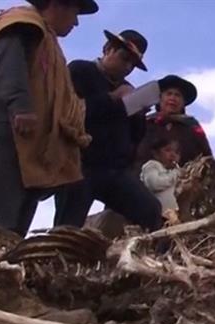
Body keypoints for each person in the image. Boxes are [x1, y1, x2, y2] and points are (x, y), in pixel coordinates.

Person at [0, 0, 98, 236]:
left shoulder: (48, 41)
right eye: (75, 12)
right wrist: (20, 106)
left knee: (17, 224)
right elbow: (9, 64)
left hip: (29, 139)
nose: (76, 22)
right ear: (58, 5)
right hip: (6, 129)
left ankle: (4, 259)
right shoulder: (21, 22)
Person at [53, 29, 162, 231]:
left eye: (132, 64)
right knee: (67, 226)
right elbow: (69, 112)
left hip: (114, 170)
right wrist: (112, 98)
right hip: (78, 165)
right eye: (124, 59)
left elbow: (136, 135)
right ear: (107, 49)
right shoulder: (80, 70)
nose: (127, 67)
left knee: (151, 211)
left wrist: (138, 113)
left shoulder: (128, 88)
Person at [137, 74, 213, 167]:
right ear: (160, 99)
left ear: (183, 103)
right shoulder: (145, 123)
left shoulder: (192, 126)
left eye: (177, 95)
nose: (172, 98)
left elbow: (207, 157)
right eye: (169, 94)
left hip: (182, 174)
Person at [141, 138, 180, 212]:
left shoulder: (171, 172)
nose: (173, 155)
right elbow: (154, 184)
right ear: (156, 154)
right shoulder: (151, 165)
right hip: (158, 214)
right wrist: (176, 174)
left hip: (172, 214)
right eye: (168, 150)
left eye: (176, 152)